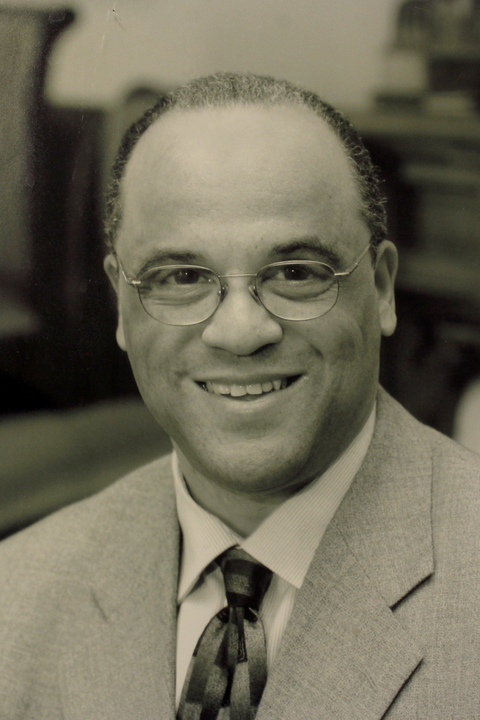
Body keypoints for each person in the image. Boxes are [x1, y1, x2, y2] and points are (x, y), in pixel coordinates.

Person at [0, 72, 479, 720]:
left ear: (383, 288)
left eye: (296, 272)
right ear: (121, 303)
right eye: (182, 277)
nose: (240, 331)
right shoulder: (19, 593)